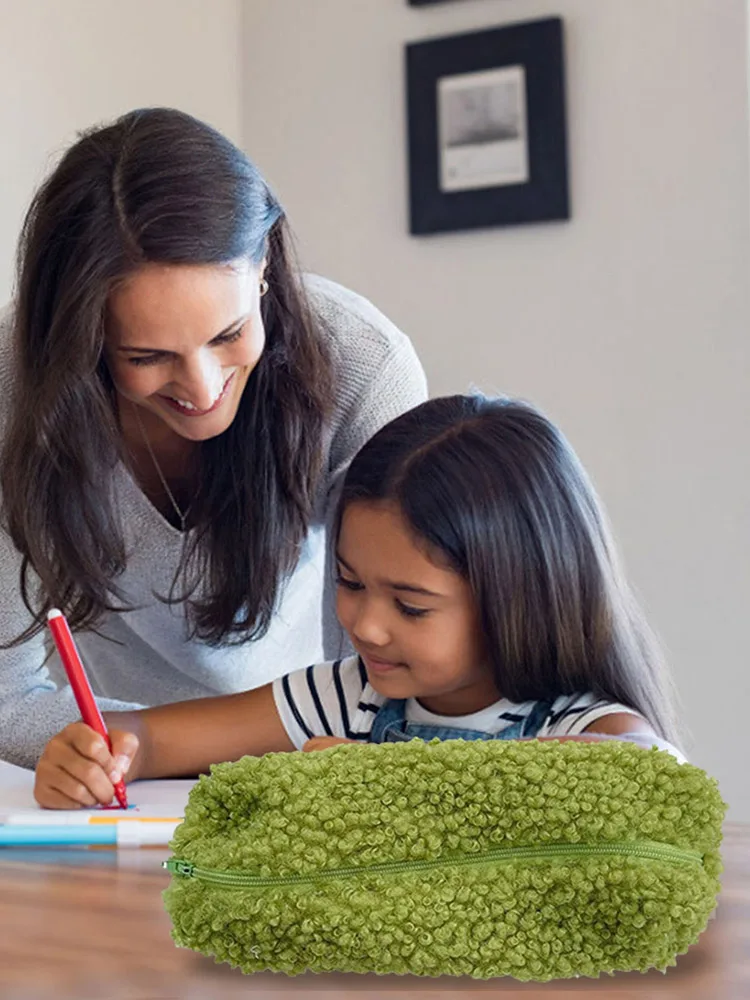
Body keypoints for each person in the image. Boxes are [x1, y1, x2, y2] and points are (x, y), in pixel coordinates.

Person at [0, 107, 428, 769]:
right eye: (144, 357)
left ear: (263, 266)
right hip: (105, 781)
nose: (201, 391)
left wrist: (172, 744)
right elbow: (7, 699)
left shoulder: (364, 367)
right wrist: (116, 753)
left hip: (319, 762)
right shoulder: (13, 388)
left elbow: (404, 666)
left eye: (228, 335)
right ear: (78, 344)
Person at [33, 394, 687, 809]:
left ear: (521, 599)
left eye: (412, 606)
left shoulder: (578, 726)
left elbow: (645, 774)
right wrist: (103, 754)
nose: (366, 627)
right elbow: (150, 738)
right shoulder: (348, 700)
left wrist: (388, 779)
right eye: (349, 582)